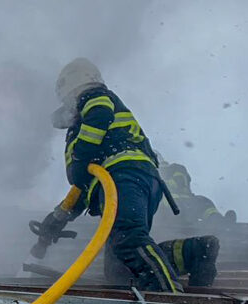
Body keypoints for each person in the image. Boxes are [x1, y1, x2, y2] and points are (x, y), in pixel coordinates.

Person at [35, 58, 218, 290]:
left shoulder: (93, 97)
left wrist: (79, 156)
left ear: (71, 88)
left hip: (124, 178)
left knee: (128, 238)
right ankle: (195, 253)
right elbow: (84, 186)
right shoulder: (87, 122)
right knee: (119, 269)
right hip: (133, 181)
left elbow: (99, 118)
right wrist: (58, 217)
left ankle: (166, 292)